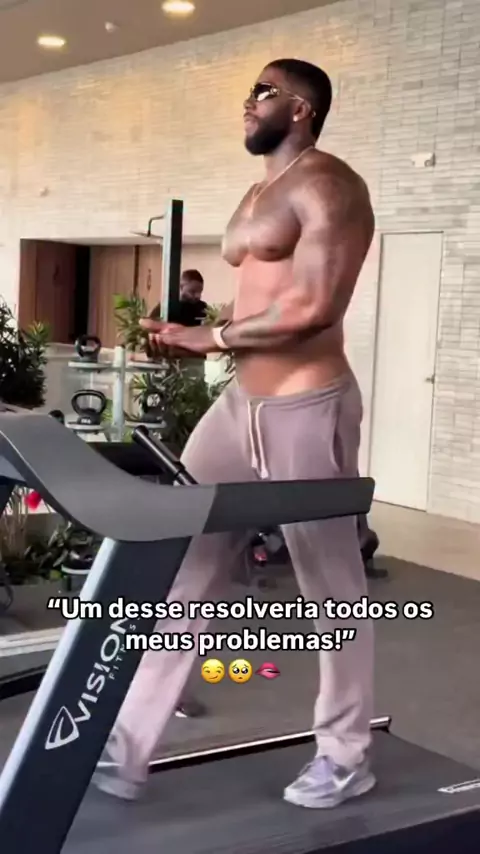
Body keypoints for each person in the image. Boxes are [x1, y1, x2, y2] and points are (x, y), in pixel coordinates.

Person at [93, 58, 376, 810]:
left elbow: (315, 305)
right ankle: (127, 745)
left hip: (306, 404)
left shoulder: (331, 186)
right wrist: (188, 332)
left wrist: (211, 338)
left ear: (303, 108)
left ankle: (346, 755)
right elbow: (259, 297)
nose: (247, 103)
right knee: (182, 562)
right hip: (238, 405)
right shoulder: (258, 194)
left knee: (332, 587)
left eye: (263, 91)